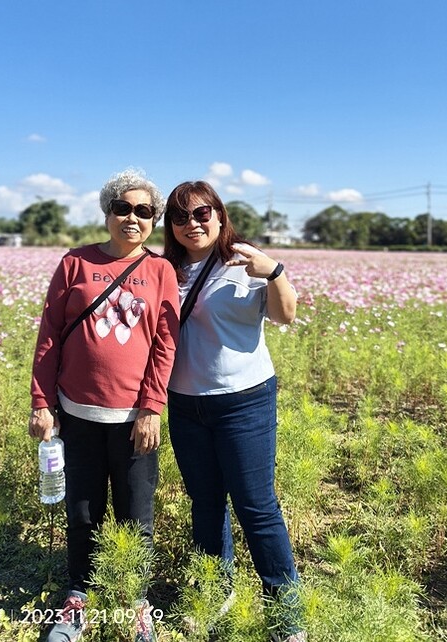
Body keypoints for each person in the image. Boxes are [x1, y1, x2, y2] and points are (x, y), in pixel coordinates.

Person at [29, 168, 179, 642]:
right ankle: (79, 596)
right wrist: (42, 401)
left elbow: (165, 342)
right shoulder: (75, 263)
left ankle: (136, 599)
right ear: (108, 212)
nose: (132, 218)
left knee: (137, 513)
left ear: (153, 220)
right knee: (82, 510)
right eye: (123, 208)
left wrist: (153, 407)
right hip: (76, 414)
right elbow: (50, 335)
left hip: (135, 419)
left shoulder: (160, 270)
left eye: (143, 211)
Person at [163, 181, 306, 642]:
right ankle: (212, 595)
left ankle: (286, 615)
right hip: (185, 405)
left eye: (202, 213)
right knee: (205, 504)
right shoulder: (166, 268)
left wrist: (275, 271)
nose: (193, 224)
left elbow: (285, 315)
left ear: (220, 216)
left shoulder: (244, 261)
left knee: (256, 506)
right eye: (181, 217)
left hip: (243, 402)